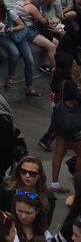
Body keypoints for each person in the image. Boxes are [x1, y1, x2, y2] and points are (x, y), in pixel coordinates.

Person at [0, 0, 39, 97]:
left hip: (17, 36)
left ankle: (30, 87)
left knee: (29, 60)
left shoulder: (10, 13)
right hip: (3, 37)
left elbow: (22, 25)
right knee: (15, 53)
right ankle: (10, 77)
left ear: (1, 7)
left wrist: (13, 29)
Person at [0, 156, 57, 230]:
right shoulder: (6, 189)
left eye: (32, 173)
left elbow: (45, 224)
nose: (27, 176)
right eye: (24, 172)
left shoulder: (48, 198)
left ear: (39, 175)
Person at [51, 53, 81, 192]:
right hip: (72, 124)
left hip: (60, 122)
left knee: (59, 152)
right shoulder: (69, 83)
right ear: (68, 68)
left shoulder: (57, 80)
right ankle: (78, 186)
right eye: (74, 65)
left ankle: (54, 183)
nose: (77, 67)